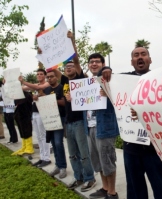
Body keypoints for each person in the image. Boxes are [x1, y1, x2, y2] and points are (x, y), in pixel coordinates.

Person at [101, 47, 162, 199]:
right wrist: (107, 70)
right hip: (131, 148)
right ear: (132, 61)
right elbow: (104, 79)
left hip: (156, 148)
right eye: (136, 55)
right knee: (135, 191)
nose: (140, 57)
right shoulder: (121, 80)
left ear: (150, 59)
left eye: (143, 54)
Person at [52, 31, 96, 191]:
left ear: (76, 69)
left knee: (84, 153)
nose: (68, 68)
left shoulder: (80, 79)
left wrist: (71, 41)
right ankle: (79, 177)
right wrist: (43, 53)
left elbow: (76, 59)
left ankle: (90, 178)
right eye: (66, 67)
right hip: (68, 122)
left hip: (79, 121)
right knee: (72, 154)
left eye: (71, 66)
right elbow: (52, 67)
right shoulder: (64, 80)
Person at [83, 53, 119, 199]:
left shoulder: (108, 79)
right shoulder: (86, 83)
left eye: (97, 61)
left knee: (107, 160)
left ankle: (112, 193)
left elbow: (117, 96)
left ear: (103, 64)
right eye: (91, 62)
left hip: (105, 127)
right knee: (97, 160)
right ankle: (104, 188)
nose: (94, 64)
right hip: (90, 126)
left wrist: (108, 72)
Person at [20, 69, 51, 167]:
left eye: (41, 74)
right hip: (35, 112)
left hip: (43, 112)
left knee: (44, 136)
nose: (39, 76)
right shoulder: (35, 85)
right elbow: (23, 88)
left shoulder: (46, 84)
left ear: (45, 75)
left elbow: (38, 87)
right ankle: (42, 157)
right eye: (37, 74)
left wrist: (24, 81)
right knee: (39, 137)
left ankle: (47, 158)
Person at [41, 71, 67, 179]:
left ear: (56, 77)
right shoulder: (46, 90)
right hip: (49, 119)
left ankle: (63, 167)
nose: (49, 79)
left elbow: (64, 102)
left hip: (59, 118)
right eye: (48, 78)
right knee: (53, 142)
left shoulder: (61, 88)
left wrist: (52, 101)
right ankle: (58, 164)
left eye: (51, 77)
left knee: (58, 142)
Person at [12, 91, 34, 155]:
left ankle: (29, 147)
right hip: (19, 114)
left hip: (25, 115)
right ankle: (24, 146)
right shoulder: (17, 95)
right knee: (21, 130)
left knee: (26, 129)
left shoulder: (26, 94)